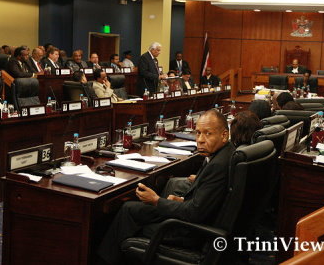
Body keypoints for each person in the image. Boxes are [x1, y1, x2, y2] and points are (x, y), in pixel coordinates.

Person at [97, 109, 235, 264]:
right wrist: (181, 200)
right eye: (198, 133)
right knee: (129, 208)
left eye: (207, 134)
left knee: (131, 223)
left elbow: (195, 213)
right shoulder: (221, 153)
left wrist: (156, 200)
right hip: (196, 218)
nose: (200, 140)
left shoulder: (218, 165)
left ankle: (106, 260)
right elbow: (205, 202)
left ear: (224, 135)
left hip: (191, 231)